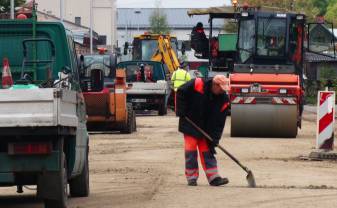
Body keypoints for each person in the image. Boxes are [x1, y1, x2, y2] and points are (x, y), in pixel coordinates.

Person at [176, 75, 230, 186]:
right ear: (214, 85)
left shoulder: (223, 100)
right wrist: (181, 110)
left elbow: (220, 123)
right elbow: (180, 91)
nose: (222, 91)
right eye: (221, 88)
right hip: (191, 122)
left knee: (207, 150)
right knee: (190, 150)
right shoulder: (198, 83)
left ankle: (214, 178)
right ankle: (192, 177)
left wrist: (215, 138)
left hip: (206, 128)